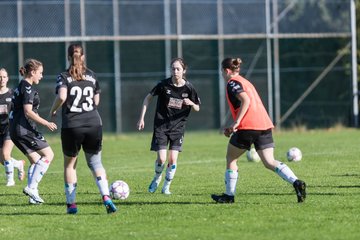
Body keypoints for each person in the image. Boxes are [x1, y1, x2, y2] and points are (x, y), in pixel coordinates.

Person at [211, 57, 306, 204]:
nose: (222, 75)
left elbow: (246, 100)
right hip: (264, 124)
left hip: (248, 126)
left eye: (222, 72)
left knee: (231, 159)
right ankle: (296, 182)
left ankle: (229, 196)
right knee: (269, 162)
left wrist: (236, 123)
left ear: (226, 70)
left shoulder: (232, 83)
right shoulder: (245, 81)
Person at [49, 43, 117, 214]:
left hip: (72, 125)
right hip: (94, 123)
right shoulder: (92, 75)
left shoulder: (64, 76)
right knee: (95, 163)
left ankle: (72, 205)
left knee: (70, 165)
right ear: (83, 56)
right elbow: (96, 102)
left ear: (68, 57)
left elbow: (62, 96)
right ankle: (106, 196)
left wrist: (53, 109)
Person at [137, 58, 200, 195]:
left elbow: (197, 108)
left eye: (178, 69)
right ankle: (157, 177)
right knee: (162, 159)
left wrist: (191, 103)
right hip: (161, 126)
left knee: (172, 159)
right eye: (173, 68)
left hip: (178, 128)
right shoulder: (163, 85)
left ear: (184, 70)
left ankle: (166, 187)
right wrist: (141, 118)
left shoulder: (189, 87)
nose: (175, 71)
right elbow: (147, 98)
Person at [9, 59, 57, 204]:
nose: (41, 76)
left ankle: (33, 197)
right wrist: (46, 123)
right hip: (24, 130)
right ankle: (32, 187)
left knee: (36, 161)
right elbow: (28, 112)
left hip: (16, 130)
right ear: (33, 72)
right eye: (40, 73)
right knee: (49, 154)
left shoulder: (20, 86)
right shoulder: (27, 88)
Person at [0, 68, 25, 187]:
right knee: (3, 160)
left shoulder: (12, 93)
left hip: (10, 128)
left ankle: (10, 181)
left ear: (7, 78)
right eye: (0, 77)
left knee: (5, 154)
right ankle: (19, 164)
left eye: (4, 77)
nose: (1, 79)